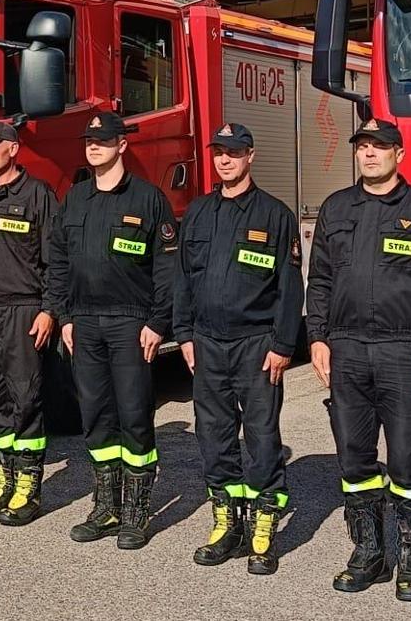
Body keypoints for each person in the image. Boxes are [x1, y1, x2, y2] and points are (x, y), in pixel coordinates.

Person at [306, 118, 411, 602]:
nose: (369, 153)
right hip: (346, 349)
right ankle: (368, 553)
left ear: (400, 154)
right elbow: (321, 280)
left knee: (407, 462)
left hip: (404, 351)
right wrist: (317, 337)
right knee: (354, 458)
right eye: (363, 146)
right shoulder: (336, 208)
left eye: (380, 146)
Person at [173, 123, 302, 575]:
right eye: (218, 153)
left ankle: (264, 525)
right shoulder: (198, 213)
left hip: (257, 344)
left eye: (233, 152)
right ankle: (226, 523)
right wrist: (183, 334)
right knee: (214, 434)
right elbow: (182, 279)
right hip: (206, 342)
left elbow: (290, 287)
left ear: (251, 156)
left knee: (263, 435)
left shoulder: (275, 215)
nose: (224, 160)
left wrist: (284, 344)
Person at [48, 111, 178, 550]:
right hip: (83, 322)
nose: (94, 146)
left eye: (103, 141)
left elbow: (166, 267)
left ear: (122, 145)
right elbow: (59, 262)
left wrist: (158, 323)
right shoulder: (76, 198)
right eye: (89, 140)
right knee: (97, 417)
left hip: (129, 322)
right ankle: (107, 507)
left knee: (134, 415)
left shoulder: (147, 199)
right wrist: (64, 317)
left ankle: (137, 512)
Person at [0, 121, 61, 526]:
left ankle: (29, 488)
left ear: (13, 150)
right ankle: (5, 478)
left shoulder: (37, 194)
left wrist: (49, 309)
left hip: (23, 310)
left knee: (25, 398)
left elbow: (56, 260)